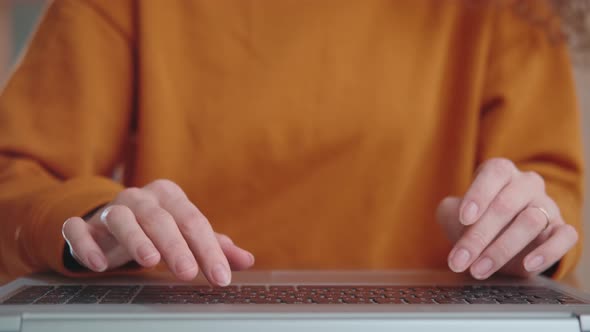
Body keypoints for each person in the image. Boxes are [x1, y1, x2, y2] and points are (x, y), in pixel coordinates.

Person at [0, 0, 586, 287]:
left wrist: (518, 233)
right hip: (172, 318)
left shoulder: (511, 8)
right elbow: (19, 181)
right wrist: (94, 221)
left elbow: (550, 190)